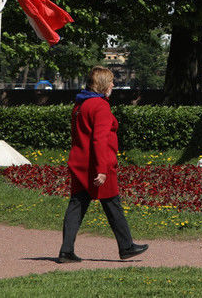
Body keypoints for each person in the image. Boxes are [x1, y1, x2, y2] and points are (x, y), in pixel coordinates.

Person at [57, 66, 148, 263]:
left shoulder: (80, 105)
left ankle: (66, 250)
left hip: (80, 163)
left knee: (76, 206)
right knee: (113, 205)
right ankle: (126, 247)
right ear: (103, 85)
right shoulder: (100, 106)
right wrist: (102, 169)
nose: (113, 85)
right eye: (111, 81)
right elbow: (100, 140)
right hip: (98, 165)